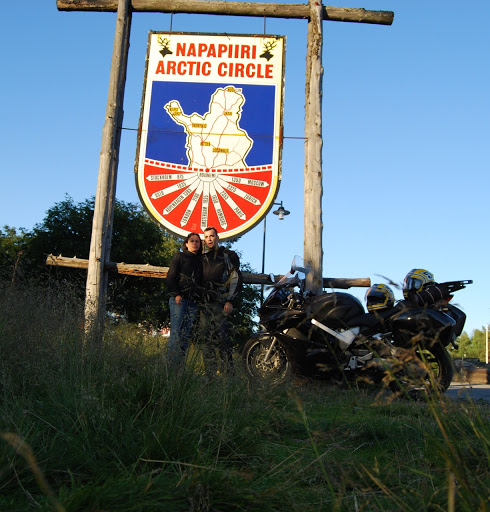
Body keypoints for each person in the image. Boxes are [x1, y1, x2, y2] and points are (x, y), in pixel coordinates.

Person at [200, 226, 242, 375]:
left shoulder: (228, 255)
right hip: (204, 304)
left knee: (223, 336)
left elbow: (235, 277)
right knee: (206, 338)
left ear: (218, 238)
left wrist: (230, 300)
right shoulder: (203, 258)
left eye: (212, 236)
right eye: (206, 237)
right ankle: (210, 373)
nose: (209, 239)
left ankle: (228, 373)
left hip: (221, 302)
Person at [166, 232, 203, 364]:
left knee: (185, 336)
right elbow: (170, 277)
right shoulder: (180, 256)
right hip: (179, 301)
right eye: (192, 241)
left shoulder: (201, 261)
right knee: (176, 334)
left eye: (197, 241)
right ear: (186, 244)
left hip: (193, 302)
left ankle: (180, 366)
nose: (195, 243)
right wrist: (176, 294)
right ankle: (170, 366)